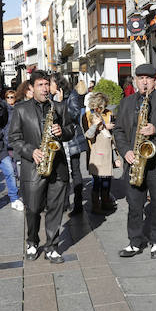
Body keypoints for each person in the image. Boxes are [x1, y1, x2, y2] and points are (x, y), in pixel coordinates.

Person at [8, 70, 75, 263]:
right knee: (33, 208)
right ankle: (32, 241)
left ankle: (52, 246)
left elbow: (72, 130)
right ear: (31, 88)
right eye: (40, 85)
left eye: (47, 84)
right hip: (33, 167)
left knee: (55, 208)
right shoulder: (21, 109)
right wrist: (31, 151)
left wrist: (62, 131)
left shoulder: (60, 107)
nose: (45, 89)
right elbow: (14, 138)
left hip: (58, 167)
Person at [113, 64, 156, 259]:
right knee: (134, 206)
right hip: (134, 162)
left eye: (148, 78)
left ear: (155, 81)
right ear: (135, 80)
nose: (144, 82)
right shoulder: (126, 103)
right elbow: (118, 131)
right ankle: (135, 241)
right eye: (140, 78)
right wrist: (125, 152)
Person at [82, 91, 118, 214]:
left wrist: (115, 156)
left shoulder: (109, 113)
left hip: (107, 150)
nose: (101, 109)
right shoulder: (87, 115)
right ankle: (96, 205)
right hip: (94, 151)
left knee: (107, 179)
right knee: (97, 181)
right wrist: (101, 126)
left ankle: (105, 201)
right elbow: (88, 135)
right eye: (100, 107)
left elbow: (113, 136)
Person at [65, 80, 88, 215]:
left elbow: (74, 114)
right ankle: (65, 203)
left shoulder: (71, 95)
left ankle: (78, 205)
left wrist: (61, 103)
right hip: (59, 140)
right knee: (63, 173)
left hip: (72, 139)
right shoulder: (51, 96)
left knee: (75, 171)